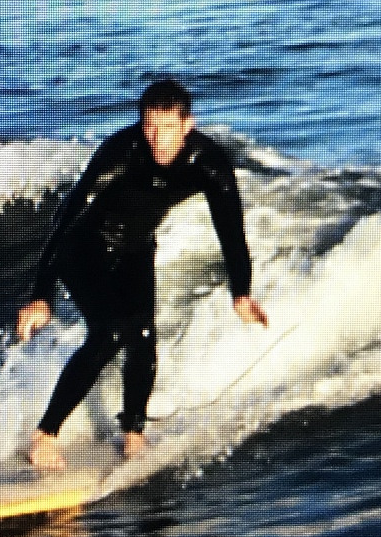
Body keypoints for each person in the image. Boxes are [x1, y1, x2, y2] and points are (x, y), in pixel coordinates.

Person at [16, 79, 268, 470]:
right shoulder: (123, 151)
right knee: (111, 332)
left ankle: (133, 430)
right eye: (149, 125)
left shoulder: (210, 163)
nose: (157, 137)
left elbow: (231, 231)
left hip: (135, 248)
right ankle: (45, 435)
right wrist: (41, 293)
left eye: (167, 127)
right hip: (83, 246)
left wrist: (241, 291)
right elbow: (66, 218)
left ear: (187, 125)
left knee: (144, 336)